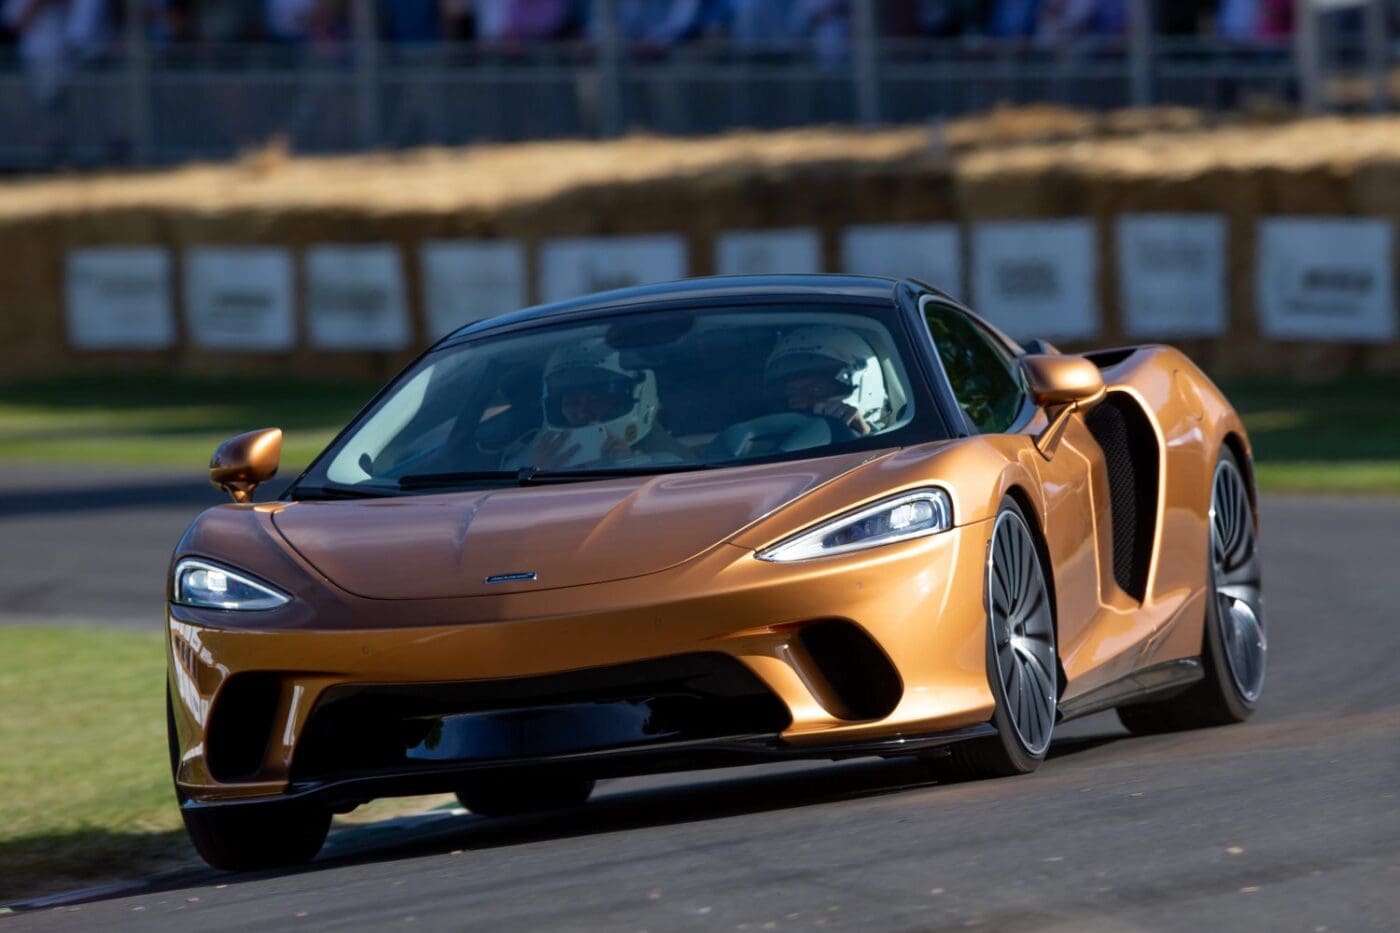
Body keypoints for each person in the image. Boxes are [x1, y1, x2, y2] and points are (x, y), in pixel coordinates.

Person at [501, 339, 691, 470]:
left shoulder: (665, 469)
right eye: (572, 402)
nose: (583, 411)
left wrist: (626, 467)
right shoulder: (520, 469)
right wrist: (539, 474)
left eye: (596, 400)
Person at [763, 325, 891, 438]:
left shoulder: (892, 446)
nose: (800, 403)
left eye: (816, 390)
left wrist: (864, 435)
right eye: (793, 392)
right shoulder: (760, 438)